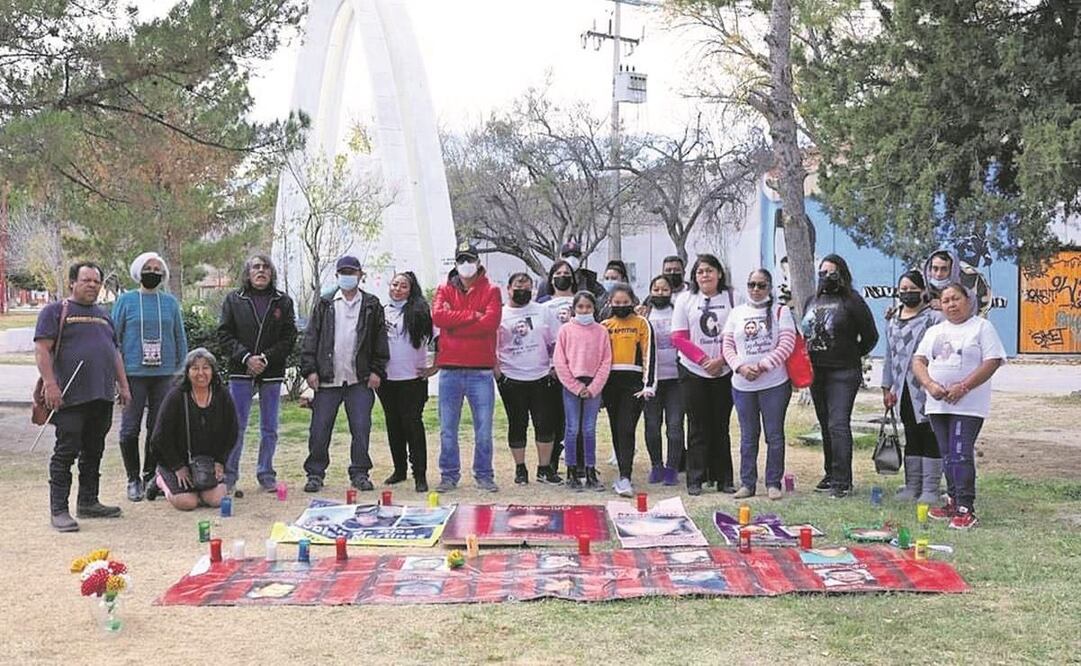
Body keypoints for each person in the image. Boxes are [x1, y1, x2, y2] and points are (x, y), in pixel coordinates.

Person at [35, 262, 131, 532]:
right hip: (69, 397)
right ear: (72, 283)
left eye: (96, 281)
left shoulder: (104, 316)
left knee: (94, 450)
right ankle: (59, 510)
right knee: (66, 452)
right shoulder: (55, 311)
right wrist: (50, 384)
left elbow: (114, 353)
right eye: (86, 280)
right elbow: (42, 350)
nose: (92, 285)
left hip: (101, 396)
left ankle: (88, 501)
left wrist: (123, 386)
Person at [912, 283, 1006, 529]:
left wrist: (963, 386)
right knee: (947, 454)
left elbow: (992, 361)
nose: (951, 304)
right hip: (938, 404)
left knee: (960, 452)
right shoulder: (935, 331)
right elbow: (919, 361)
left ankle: (966, 508)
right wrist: (930, 384)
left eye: (956, 299)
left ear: (968, 300)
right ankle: (952, 500)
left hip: (968, 405)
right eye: (946, 301)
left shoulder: (982, 327)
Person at [300, 255, 389, 492]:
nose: (348, 276)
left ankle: (360, 473)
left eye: (352, 272)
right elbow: (311, 337)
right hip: (327, 379)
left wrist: (377, 370)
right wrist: (310, 370)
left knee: (361, 428)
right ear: (337, 275)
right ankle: (315, 474)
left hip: (359, 379)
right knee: (319, 429)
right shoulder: (325, 303)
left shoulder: (372, 304)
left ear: (360, 275)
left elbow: (380, 340)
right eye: (344, 272)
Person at [217, 255, 297, 497]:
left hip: (271, 371)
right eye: (256, 267)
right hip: (241, 370)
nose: (261, 271)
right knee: (236, 425)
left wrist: (265, 358)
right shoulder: (233, 299)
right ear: (248, 272)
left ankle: (266, 473)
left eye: (265, 267)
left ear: (271, 273)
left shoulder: (283, 301)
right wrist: (246, 358)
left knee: (270, 427)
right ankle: (229, 476)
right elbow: (224, 334)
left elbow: (289, 337)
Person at [801, 253, 879, 498]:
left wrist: (852, 354)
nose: (826, 276)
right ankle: (830, 473)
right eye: (822, 272)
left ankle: (843, 481)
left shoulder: (852, 300)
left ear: (842, 274)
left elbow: (871, 336)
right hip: (817, 372)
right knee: (825, 423)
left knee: (838, 424)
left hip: (843, 372)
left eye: (831, 272)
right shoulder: (812, 300)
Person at [112, 252, 187, 502]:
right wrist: (117, 377)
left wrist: (181, 371)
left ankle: (150, 476)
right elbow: (114, 339)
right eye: (148, 268)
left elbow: (179, 338)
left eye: (157, 269)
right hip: (133, 375)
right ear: (138, 271)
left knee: (157, 427)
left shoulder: (170, 303)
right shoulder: (126, 301)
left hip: (164, 375)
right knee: (129, 427)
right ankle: (132, 479)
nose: (153, 272)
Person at [431, 242, 503, 493]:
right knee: (447, 429)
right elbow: (439, 318)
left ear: (478, 262)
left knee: (483, 428)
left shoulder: (492, 290)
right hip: (449, 369)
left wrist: (455, 322)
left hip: (480, 370)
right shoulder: (443, 289)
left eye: (470, 259)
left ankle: (484, 474)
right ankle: (449, 475)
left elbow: (490, 323)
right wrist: (473, 315)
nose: (466, 264)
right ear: (455, 263)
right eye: (461, 260)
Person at [722, 269, 796, 500]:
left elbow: (787, 344)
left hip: (774, 384)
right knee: (748, 436)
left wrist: (763, 365)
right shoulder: (736, 313)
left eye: (761, 285)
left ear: (769, 287)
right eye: (751, 284)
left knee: (774, 435)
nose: (756, 289)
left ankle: (773, 482)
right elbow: (727, 346)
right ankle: (747, 483)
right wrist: (740, 367)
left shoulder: (780, 311)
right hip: (743, 385)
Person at [671, 254, 739, 495]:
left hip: (724, 369)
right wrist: (703, 360)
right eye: (700, 271)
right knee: (697, 426)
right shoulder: (685, 299)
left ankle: (724, 479)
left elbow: (738, 333)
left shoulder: (733, 297)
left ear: (719, 273)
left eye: (709, 270)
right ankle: (695, 479)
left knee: (721, 425)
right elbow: (678, 337)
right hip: (693, 371)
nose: (705, 275)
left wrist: (721, 360)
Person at [881, 270, 944, 503]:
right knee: (911, 433)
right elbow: (889, 355)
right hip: (902, 388)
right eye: (903, 290)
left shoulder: (934, 318)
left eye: (912, 289)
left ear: (923, 290)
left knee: (930, 434)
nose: (907, 293)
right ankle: (912, 485)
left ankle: (930, 488)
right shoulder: (892, 319)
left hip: (927, 386)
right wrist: (886, 386)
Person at [496, 272, 562, 485]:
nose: (522, 291)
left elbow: (555, 341)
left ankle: (544, 468)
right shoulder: (500, 314)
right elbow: (492, 346)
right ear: (508, 289)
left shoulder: (543, 311)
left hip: (541, 375)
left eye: (527, 287)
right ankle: (520, 468)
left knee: (545, 424)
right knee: (517, 423)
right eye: (518, 287)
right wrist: (499, 375)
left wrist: (554, 366)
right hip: (511, 377)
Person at [150, 349, 235, 510]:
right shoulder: (176, 396)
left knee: (216, 500)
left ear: (213, 371)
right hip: (177, 461)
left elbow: (232, 431)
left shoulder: (222, 394)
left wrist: (220, 461)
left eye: (206, 368)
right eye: (195, 368)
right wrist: (177, 466)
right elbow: (160, 437)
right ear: (187, 372)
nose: (201, 373)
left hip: (207, 461)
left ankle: (199, 488)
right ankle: (160, 480)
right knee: (188, 503)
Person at [378, 271, 436, 492]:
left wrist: (435, 366)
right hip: (386, 380)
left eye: (403, 286)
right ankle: (399, 469)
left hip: (413, 379)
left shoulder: (420, 311)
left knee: (412, 424)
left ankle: (419, 474)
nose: (398, 289)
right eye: (395, 284)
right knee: (393, 424)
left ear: (411, 290)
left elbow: (440, 339)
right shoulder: (381, 311)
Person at [553, 291, 612, 491]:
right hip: (572, 385)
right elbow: (560, 362)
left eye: (588, 307)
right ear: (574, 309)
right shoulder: (565, 330)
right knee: (572, 429)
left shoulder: (601, 331)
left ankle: (590, 471)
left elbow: (606, 361)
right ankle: (571, 472)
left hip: (593, 385)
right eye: (580, 307)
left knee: (589, 429)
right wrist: (576, 387)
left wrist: (594, 388)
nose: (584, 310)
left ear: (594, 308)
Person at [602, 283, 656, 497]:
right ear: (610, 303)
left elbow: (649, 354)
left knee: (626, 427)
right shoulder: (605, 325)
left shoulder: (642, 323)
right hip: (610, 383)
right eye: (617, 302)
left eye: (625, 302)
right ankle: (622, 472)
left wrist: (648, 385)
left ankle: (626, 476)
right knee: (615, 428)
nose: (621, 306)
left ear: (633, 302)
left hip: (633, 384)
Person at [640, 275, 684, 485]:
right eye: (656, 289)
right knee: (652, 424)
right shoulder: (643, 314)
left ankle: (672, 468)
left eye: (664, 289)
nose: (660, 293)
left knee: (675, 426)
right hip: (652, 380)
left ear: (671, 292)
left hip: (676, 379)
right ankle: (656, 466)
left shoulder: (678, 312)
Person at [538, 259, 578, 468]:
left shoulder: (581, 301)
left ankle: (577, 463)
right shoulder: (542, 305)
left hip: (577, 368)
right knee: (552, 417)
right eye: (558, 274)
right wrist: (550, 364)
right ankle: (551, 462)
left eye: (567, 273)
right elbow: (541, 337)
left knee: (575, 420)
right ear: (551, 279)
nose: (563, 277)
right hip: (552, 369)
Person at [536, 238, 604, 299]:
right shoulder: (545, 285)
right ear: (561, 258)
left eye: (576, 255)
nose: (572, 258)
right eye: (567, 256)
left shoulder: (590, 283)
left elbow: (603, 301)